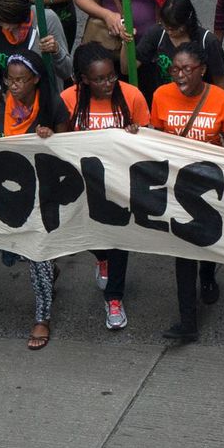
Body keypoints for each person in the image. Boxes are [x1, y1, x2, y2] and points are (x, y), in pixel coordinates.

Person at [149, 42, 224, 343]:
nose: (179, 75)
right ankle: (188, 321)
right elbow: (155, 140)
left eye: (187, 69)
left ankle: (209, 274)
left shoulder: (223, 100)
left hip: (210, 187)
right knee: (183, 252)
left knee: (207, 241)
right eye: (175, 69)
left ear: (202, 69)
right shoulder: (161, 96)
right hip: (178, 187)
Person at [0, 49, 67, 350]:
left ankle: (42, 318)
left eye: (21, 80)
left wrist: (51, 135)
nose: (13, 85)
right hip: (8, 190)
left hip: (43, 192)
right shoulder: (0, 102)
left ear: (36, 80)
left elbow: (69, 145)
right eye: (9, 79)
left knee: (37, 251)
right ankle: (48, 270)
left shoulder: (53, 105)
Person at [60, 43, 150, 330]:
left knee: (118, 240)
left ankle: (114, 298)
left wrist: (137, 136)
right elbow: (59, 142)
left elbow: (150, 139)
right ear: (84, 79)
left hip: (120, 185)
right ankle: (101, 259)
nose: (108, 83)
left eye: (111, 76)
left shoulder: (132, 96)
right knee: (87, 236)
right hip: (82, 184)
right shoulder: (68, 99)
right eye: (99, 79)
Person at [0, 0, 71, 118]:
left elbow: (67, 71)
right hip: (7, 110)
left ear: (17, 13)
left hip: (43, 110)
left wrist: (56, 51)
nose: (5, 27)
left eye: (7, 21)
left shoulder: (46, 19)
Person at [135, 0, 224, 98]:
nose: (169, 32)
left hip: (200, 103)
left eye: (174, 28)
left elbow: (220, 81)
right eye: (165, 26)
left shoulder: (208, 42)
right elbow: (127, 68)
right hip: (168, 103)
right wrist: (125, 41)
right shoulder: (157, 33)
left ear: (187, 22)